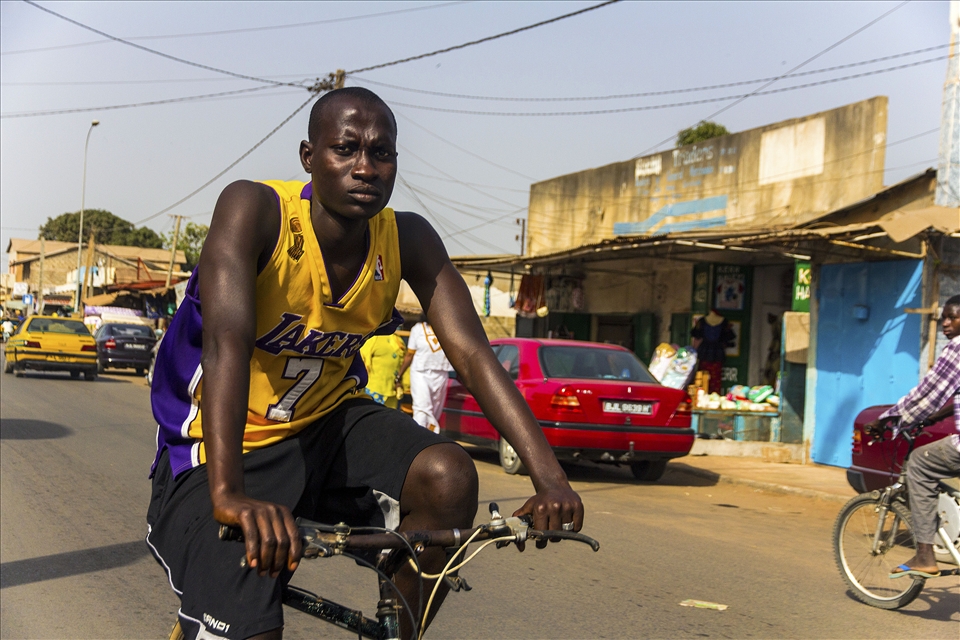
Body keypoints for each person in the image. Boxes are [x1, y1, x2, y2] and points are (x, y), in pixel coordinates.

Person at [146, 87, 583, 640]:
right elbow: (224, 346)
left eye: (382, 153)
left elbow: (472, 353)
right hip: (221, 447)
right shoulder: (254, 210)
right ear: (310, 158)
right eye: (345, 150)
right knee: (249, 626)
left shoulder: (407, 237)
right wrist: (229, 495)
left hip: (324, 429)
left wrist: (550, 478)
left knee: (447, 476)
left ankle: (400, 629)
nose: (365, 168)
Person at [867, 295, 960, 579]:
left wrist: (888, 419)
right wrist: (934, 416)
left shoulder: (956, 348)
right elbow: (950, 396)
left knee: (920, 463)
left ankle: (924, 555)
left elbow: (926, 393)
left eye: (951, 317)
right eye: (943, 317)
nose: (945, 323)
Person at [396, 319, 452, 433]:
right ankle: (419, 438)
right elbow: (410, 354)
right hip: (420, 373)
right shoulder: (418, 329)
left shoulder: (448, 327)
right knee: (422, 408)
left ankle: (431, 436)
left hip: (441, 372)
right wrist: (399, 375)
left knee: (435, 410)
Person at [690, 309, 735, 393]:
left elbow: (696, 334)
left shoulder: (702, 321)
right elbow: (730, 336)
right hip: (718, 351)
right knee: (716, 376)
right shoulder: (724, 322)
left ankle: (701, 393)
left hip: (705, 351)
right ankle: (715, 394)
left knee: (703, 375)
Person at [359, 332, 406, 408]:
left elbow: (403, 362)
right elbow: (362, 361)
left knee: (390, 418)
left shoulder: (398, 340)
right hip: (374, 390)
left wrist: (401, 382)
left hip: (392, 390)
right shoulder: (372, 339)